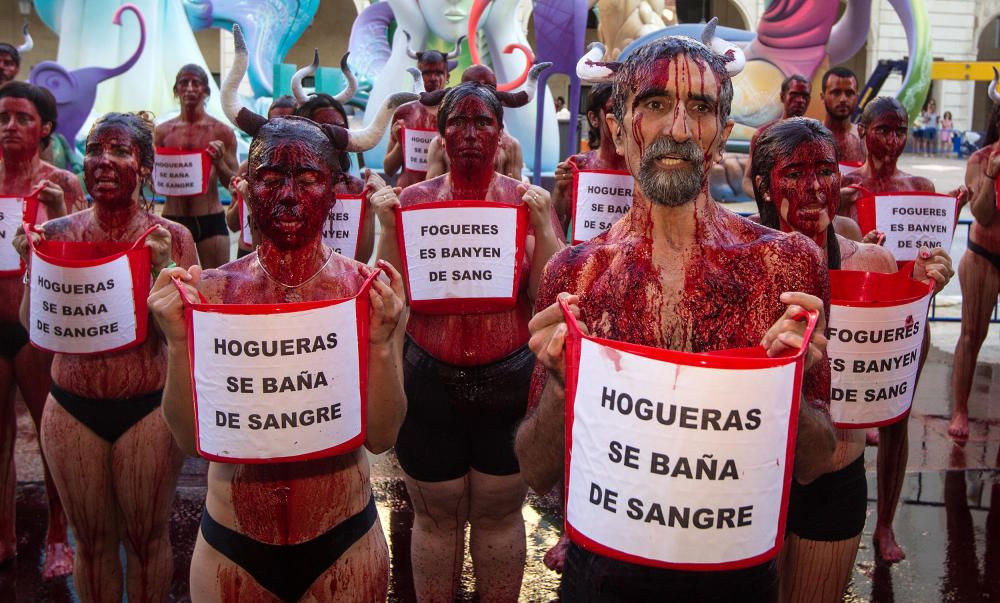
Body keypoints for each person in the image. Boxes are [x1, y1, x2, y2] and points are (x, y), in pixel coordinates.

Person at [515, 31, 836, 601]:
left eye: (701, 109)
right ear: (616, 128)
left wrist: (786, 384)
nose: (679, 130)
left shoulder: (784, 267)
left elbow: (812, 463)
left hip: (733, 576)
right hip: (602, 575)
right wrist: (563, 385)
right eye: (656, 105)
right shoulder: (575, 275)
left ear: (723, 134)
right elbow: (537, 473)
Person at [148, 27, 410, 600]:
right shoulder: (212, 292)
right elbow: (193, 440)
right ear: (243, 187)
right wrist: (178, 343)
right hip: (231, 546)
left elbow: (383, 435)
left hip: (343, 537)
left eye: (308, 178)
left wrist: (384, 344)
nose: (288, 195)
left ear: (336, 189)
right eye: (270, 178)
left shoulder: (365, 290)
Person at [368, 80, 564, 601]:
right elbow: (384, 295)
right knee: (436, 520)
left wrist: (544, 229)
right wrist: (386, 228)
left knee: (499, 515)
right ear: (440, 132)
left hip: (508, 379)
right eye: (459, 122)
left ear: (500, 133)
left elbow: (547, 296)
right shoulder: (412, 201)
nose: (471, 133)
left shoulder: (524, 202)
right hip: (429, 378)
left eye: (483, 122)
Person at [751, 117, 952, 602]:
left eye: (825, 170)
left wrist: (916, 289)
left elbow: (895, 379)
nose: (814, 187)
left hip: (839, 475)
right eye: (794, 173)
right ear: (763, 184)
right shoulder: (739, 263)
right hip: (757, 476)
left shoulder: (871, 264)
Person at [13, 112, 197, 600]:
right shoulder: (57, 233)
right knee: (90, 545)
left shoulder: (172, 237)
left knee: (146, 542)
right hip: (72, 405)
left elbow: (193, 333)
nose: (104, 161)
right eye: (96, 150)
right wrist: (33, 266)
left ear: (145, 165)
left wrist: (167, 269)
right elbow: (35, 329)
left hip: (148, 409)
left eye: (120, 151)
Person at [840, 96, 962, 564]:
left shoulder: (921, 187)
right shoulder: (843, 186)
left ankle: (885, 524)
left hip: (908, 322)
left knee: (897, 418)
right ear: (863, 130)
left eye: (899, 130)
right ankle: (839, 518)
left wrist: (945, 225)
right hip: (855, 322)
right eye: (882, 130)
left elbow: (930, 263)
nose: (891, 141)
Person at [0, 81, 85, 579]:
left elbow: (81, 260)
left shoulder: (61, 183)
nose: (10, 126)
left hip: (35, 329)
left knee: (46, 433)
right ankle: (5, 532)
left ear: (46, 128)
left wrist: (55, 213)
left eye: (23, 118)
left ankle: (58, 533)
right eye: (4, 117)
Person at [950, 90, 1000, 440]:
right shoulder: (981, 159)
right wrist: (993, 176)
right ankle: (960, 410)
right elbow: (982, 214)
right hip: (983, 254)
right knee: (971, 334)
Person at [155, 64, 239, 269]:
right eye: (184, 83)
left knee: (217, 285)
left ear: (206, 91)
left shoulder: (222, 132)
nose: (190, 88)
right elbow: (153, 177)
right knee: (173, 287)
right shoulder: (162, 132)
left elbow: (235, 184)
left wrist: (219, 164)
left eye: (196, 83)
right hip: (174, 217)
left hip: (209, 218)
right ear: (176, 90)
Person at [424, 64, 536, 182]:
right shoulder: (439, 144)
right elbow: (433, 190)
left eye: (481, 124)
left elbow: (515, 193)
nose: (480, 96)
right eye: (472, 88)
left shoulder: (510, 146)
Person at [383, 35, 462, 189]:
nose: (432, 78)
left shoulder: (458, 113)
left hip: (444, 197)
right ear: (418, 76)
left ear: (447, 76)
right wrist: (401, 144)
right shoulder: (404, 112)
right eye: (426, 73)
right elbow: (388, 169)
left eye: (438, 73)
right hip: (408, 195)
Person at [225, 95, 296, 259]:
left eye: (288, 124)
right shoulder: (248, 166)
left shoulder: (306, 172)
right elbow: (232, 224)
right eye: (275, 124)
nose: (281, 131)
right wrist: (243, 196)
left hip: (287, 255)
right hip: (248, 252)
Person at [550, 83, 626, 233]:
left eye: (627, 110)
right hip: (587, 255)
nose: (621, 119)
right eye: (614, 111)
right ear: (594, 119)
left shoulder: (642, 167)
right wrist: (560, 190)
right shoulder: (579, 166)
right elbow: (557, 231)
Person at [740, 74, 812, 199]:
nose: (800, 100)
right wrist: (766, 201)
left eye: (804, 96)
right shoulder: (763, 135)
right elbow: (747, 181)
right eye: (794, 95)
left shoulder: (815, 135)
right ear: (782, 97)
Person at [820, 67, 865, 164]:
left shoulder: (865, 140)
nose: (843, 99)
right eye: (836, 93)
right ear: (822, 97)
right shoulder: (810, 137)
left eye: (849, 93)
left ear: (856, 98)